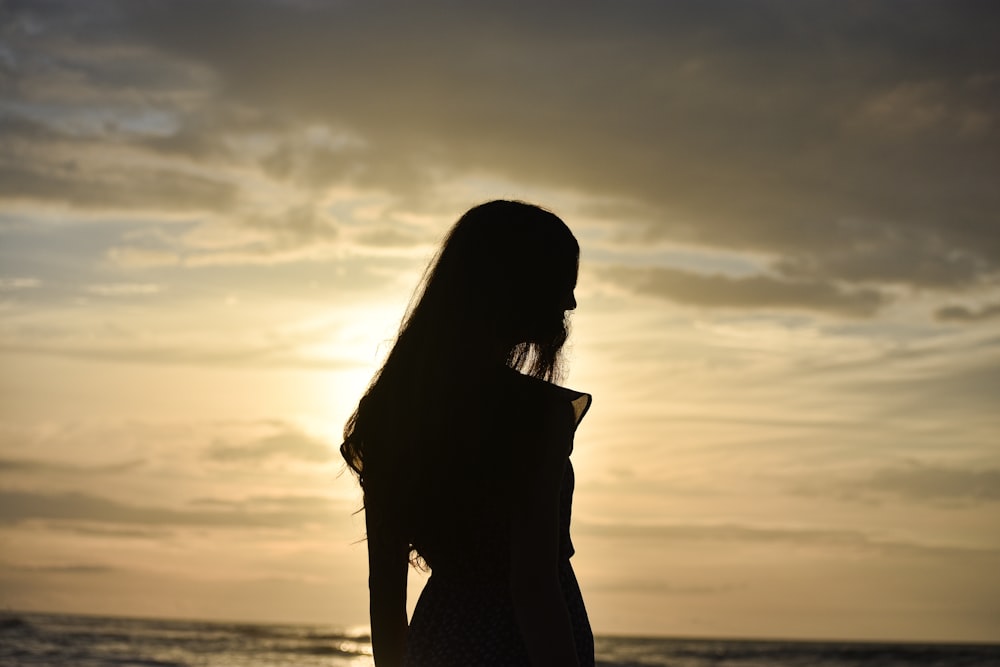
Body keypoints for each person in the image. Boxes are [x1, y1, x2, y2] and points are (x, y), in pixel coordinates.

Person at [341, 200, 594, 667]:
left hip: (440, 638)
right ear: (517, 284)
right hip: (520, 646)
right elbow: (533, 586)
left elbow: (386, 592)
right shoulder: (536, 415)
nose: (570, 302)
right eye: (562, 281)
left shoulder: (391, 413)